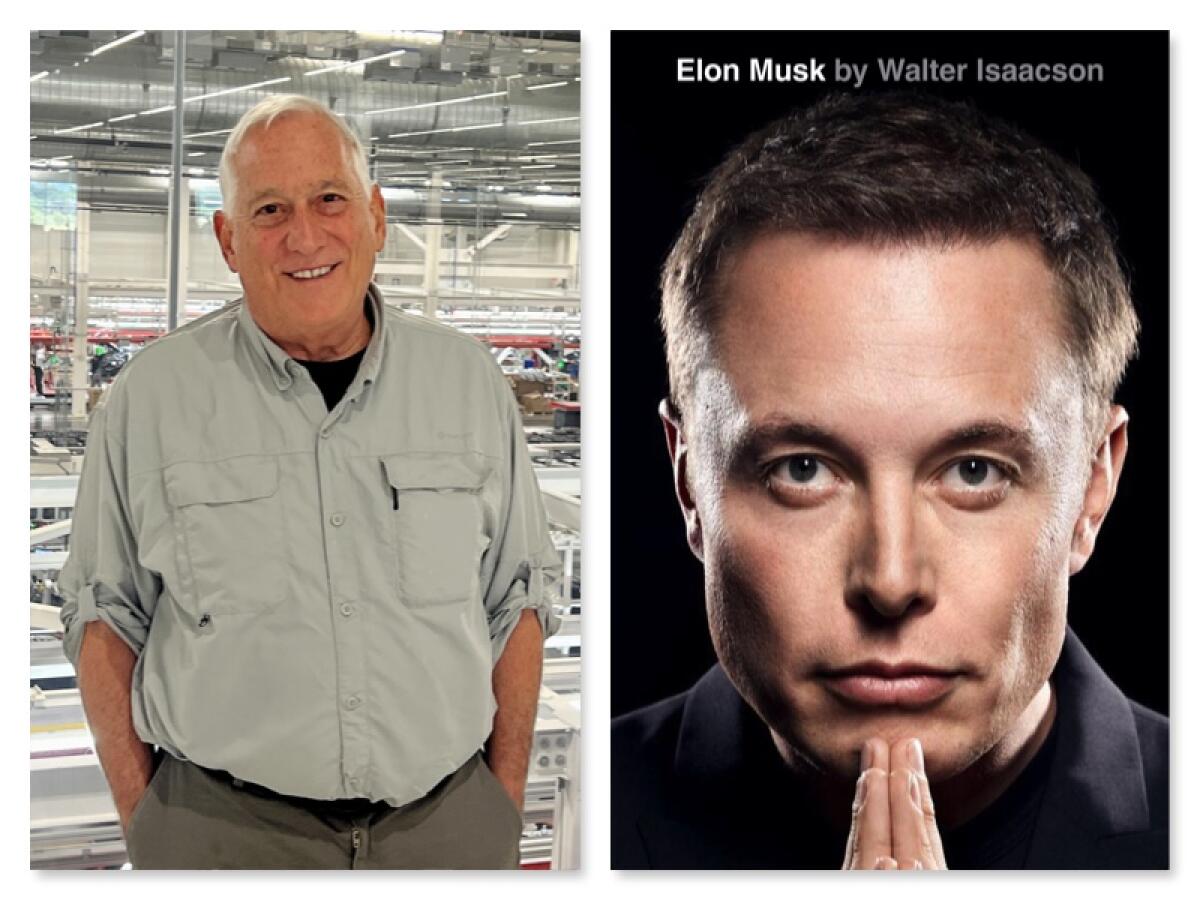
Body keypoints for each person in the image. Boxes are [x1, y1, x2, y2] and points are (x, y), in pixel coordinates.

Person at [611, 92, 1167, 869]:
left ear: (1094, 487)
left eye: (974, 472)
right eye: (802, 471)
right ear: (690, 485)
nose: (892, 580)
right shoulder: (585, 825)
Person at [59, 94, 560, 869]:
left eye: (330, 199)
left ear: (376, 217)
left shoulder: (468, 385)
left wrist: (499, 803)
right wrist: (151, 829)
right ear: (228, 239)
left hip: (447, 829)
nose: (304, 235)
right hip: (225, 836)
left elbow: (517, 602)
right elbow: (103, 618)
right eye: (268, 209)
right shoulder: (151, 401)